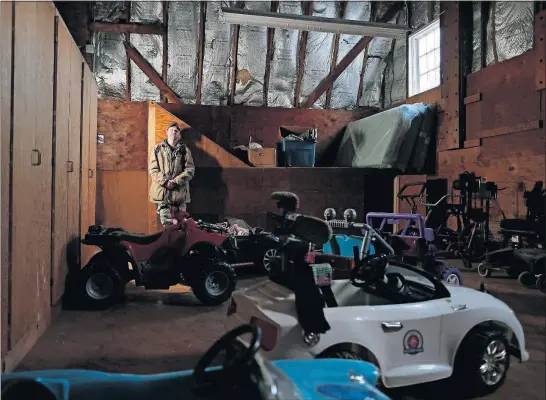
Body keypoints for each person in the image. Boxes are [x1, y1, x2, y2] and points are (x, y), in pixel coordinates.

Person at [149, 122, 195, 226]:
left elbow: (190, 170)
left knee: (181, 226)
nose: (174, 132)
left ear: (180, 136)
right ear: (166, 132)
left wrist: (175, 182)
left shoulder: (185, 150)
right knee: (167, 226)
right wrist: (165, 182)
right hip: (163, 195)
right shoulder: (157, 149)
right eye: (171, 130)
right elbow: (153, 169)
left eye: (176, 131)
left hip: (179, 196)